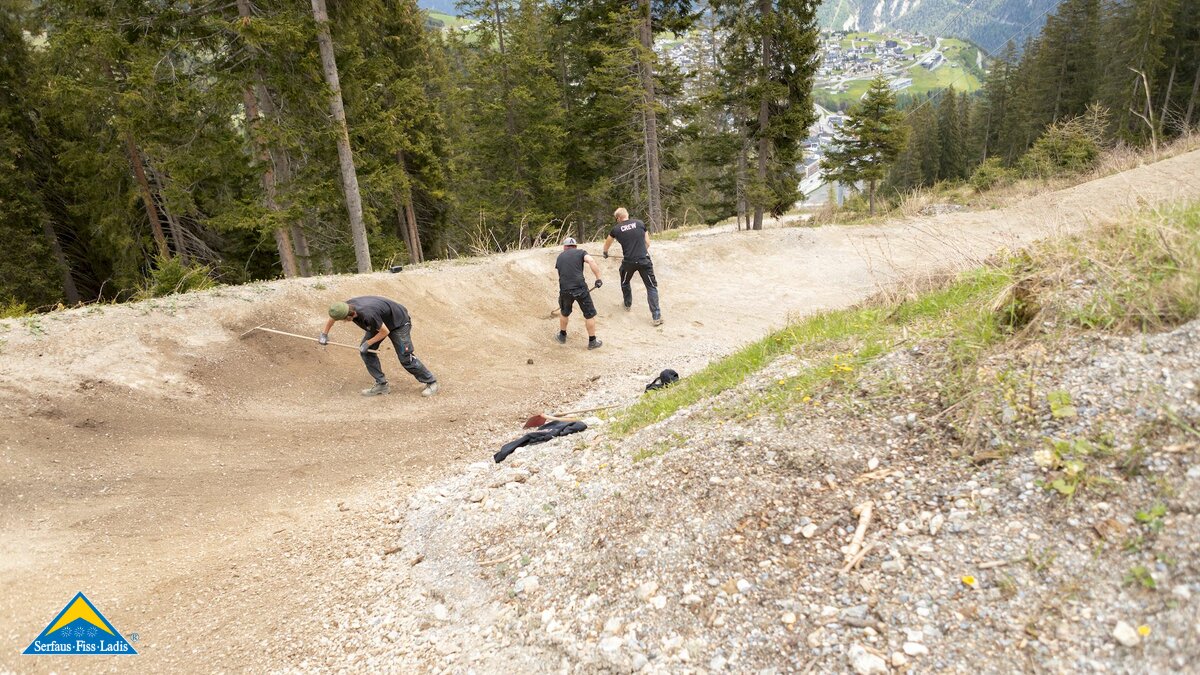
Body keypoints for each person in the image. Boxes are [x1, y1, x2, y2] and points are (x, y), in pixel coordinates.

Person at [320, 296, 439, 397]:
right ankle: (381, 385)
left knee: (405, 357)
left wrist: (368, 343)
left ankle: (431, 382)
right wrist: (324, 334)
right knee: (366, 352)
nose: (342, 321)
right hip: (379, 321)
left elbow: (385, 331)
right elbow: (333, 317)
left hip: (398, 322)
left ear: (349, 316)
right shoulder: (343, 307)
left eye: (343, 320)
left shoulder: (367, 315)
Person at [602, 207, 662, 326]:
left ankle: (627, 304)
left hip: (628, 262)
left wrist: (605, 252)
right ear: (627, 215)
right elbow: (648, 243)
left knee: (625, 282)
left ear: (618, 218)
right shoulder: (640, 223)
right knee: (651, 287)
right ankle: (656, 316)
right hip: (644, 260)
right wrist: (640, 253)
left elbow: (608, 241)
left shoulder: (616, 229)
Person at [554, 237, 603, 349]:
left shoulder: (560, 256)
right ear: (575, 246)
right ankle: (592, 341)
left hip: (565, 289)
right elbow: (590, 260)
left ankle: (562, 336)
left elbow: (562, 273)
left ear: (564, 247)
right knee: (589, 315)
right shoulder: (581, 252)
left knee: (564, 312)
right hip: (580, 288)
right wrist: (598, 278)